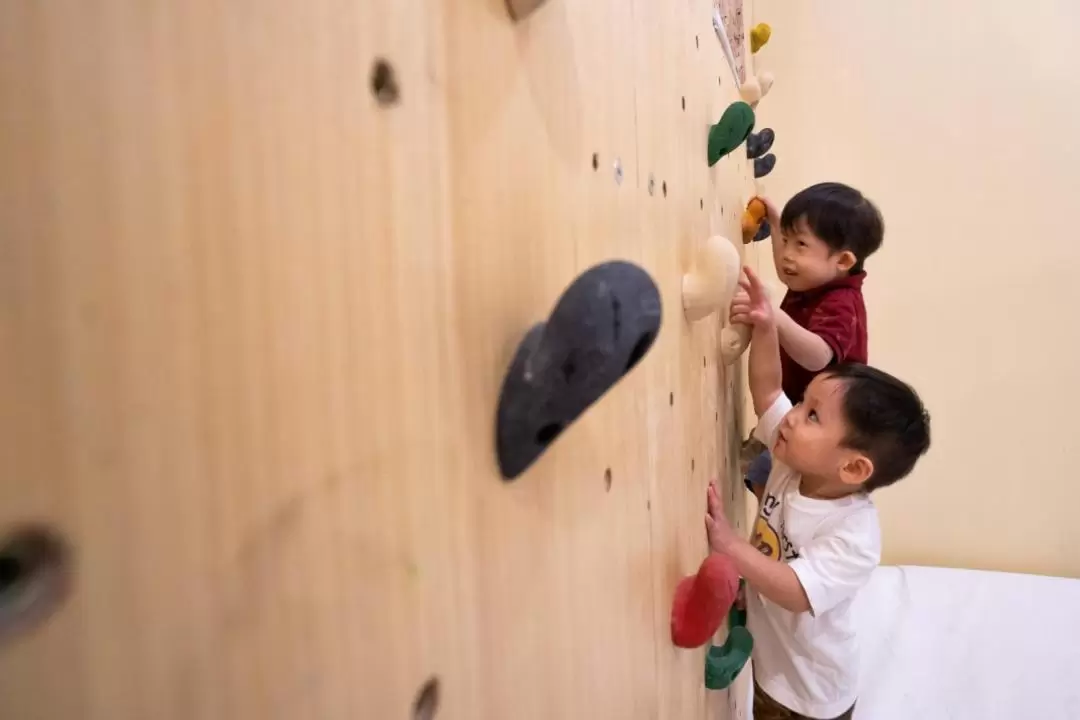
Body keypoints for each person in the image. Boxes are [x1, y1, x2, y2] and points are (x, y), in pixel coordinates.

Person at [706, 265, 931, 720]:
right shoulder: (794, 460)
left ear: (852, 467)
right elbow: (767, 390)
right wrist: (766, 325)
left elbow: (793, 589)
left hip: (808, 697)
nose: (792, 417)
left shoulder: (854, 537)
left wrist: (730, 547)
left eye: (812, 416)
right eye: (805, 403)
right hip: (772, 664)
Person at [740, 183, 884, 493]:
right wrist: (779, 224)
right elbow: (784, 268)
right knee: (760, 474)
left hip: (821, 424)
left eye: (800, 245)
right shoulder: (814, 277)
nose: (787, 256)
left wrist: (772, 316)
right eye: (786, 242)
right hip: (797, 407)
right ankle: (764, 466)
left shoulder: (842, 303)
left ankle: (777, 523)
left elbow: (818, 355)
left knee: (780, 482)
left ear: (843, 261)